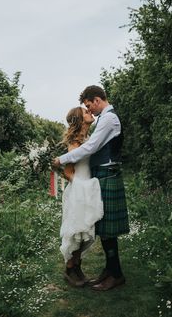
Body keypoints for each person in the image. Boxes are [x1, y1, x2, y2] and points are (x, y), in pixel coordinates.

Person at [53, 85, 129, 291]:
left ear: (97, 100)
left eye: (89, 105)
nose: (90, 110)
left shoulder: (109, 118)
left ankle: (116, 274)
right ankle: (109, 270)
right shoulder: (103, 120)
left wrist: (61, 159)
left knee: (105, 229)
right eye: (86, 109)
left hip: (107, 174)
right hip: (98, 177)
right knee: (103, 227)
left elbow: (92, 147)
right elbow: (81, 155)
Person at [59, 106, 104, 287]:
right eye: (86, 112)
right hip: (78, 190)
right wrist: (83, 187)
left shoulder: (88, 139)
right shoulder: (74, 143)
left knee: (86, 230)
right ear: (79, 119)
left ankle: (78, 267)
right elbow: (67, 172)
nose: (90, 112)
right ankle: (70, 269)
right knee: (77, 230)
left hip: (88, 189)